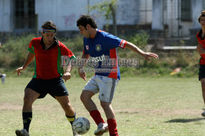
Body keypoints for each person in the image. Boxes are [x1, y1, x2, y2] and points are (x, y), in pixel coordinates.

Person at [76, 15, 158, 136]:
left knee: (105, 103)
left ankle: (114, 134)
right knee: (84, 96)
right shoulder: (86, 39)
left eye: (81, 29)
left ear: (88, 27)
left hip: (110, 74)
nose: (80, 32)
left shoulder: (105, 37)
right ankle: (101, 124)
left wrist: (142, 53)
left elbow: (126, 43)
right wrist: (81, 67)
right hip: (98, 74)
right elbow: (85, 54)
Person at [15, 21, 80, 136]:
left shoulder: (59, 46)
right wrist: (24, 66)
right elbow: (31, 54)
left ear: (54, 34)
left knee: (67, 106)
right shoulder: (34, 42)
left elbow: (71, 58)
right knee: (27, 97)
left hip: (55, 80)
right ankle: (25, 131)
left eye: (52, 35)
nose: (50, 38)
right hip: (38, 79)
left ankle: (75, 130)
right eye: (47, 35)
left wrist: (68, 71)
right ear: (42, 33)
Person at [196, 10, 205, 117]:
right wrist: (198, 49)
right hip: (203, 63)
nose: (203, 22)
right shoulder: (198, 34)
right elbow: (199, 46)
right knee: (203, 85)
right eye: (202, 20)